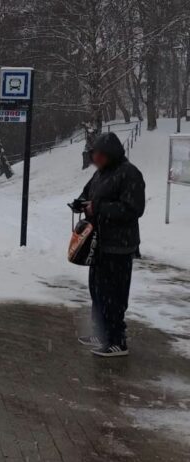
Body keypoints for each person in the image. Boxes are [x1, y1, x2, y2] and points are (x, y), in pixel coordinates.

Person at [77, 132, 145, 357]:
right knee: (97, 291)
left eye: (98, 155)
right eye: (93, 154)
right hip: (99, 244)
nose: (94, 159)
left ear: (110, 154)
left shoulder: (129, 173)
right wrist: (80, 203)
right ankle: (100, 333)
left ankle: (117, 341)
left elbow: (133, 209)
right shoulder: (100, 174)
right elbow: (88, 194)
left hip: (119, 247)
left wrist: (98, 208)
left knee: (114, 295)